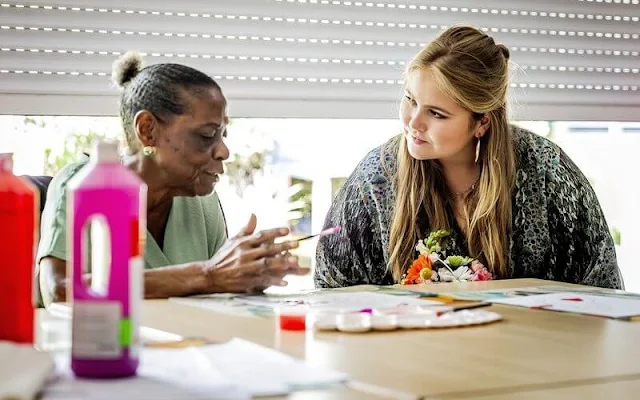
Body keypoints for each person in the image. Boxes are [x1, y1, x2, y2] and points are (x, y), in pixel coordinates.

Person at [315, 26, 623, 290]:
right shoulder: (376, 178)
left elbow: (602, 289)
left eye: (437, 113)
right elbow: (331, 287)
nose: (413, 122)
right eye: (410, 100)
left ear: (482, 122)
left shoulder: (548, 173)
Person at [37, 52, 309, 306]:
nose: (224, 151)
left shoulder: (203, 202)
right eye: (206, 135)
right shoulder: (84, 183)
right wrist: (208, 275)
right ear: (148, 130)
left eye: (222, 134)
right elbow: (58, 290)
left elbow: (218, 292)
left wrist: (248, 275)